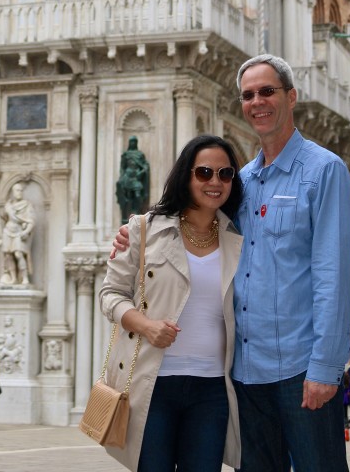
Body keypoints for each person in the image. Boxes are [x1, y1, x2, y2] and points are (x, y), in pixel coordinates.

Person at [113, 53, 350, 472]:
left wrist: (326, 368)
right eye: (248, 95)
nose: (257, 102)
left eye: (267, 91)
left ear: (291, 97)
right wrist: (136, 230)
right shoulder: (239, 182)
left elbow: (334, 277)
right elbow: (192, 220)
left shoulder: (324, 171)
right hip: (244, 375)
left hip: (301, 370)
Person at [100, 134, 243, 472]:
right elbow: (110, 295)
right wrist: (146, 326)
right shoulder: (144, 229)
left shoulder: (238, 236)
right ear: (186, 175)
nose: (215, 182)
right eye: (204, 172)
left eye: (225, 174)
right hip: (154, 383)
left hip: (212, 389)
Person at [0, 182, 35, 286]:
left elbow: (31, 221)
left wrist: (26, 232)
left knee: (18, 254)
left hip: (19, 232)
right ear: (13, 192)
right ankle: (13, 278)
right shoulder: (8, 205)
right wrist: (0, 211)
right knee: (8, 256)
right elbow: (4, 218)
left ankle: (25, 278)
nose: (20, 192)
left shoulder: (27, 205)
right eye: (17, 190)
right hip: (7, 231)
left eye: (21, 190)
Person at [115, 135, 150, 222]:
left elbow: (145, 166)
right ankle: (125, 218)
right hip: (127, 177)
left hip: (136, 178)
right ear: (129, 143)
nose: (133, 143)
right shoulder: (126, 154)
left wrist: (141, 173)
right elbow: (122, 168)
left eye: (135, 141)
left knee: (138, 196)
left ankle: (137, 214)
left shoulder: (140, 155)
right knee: (127, 198)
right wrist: (122, 178)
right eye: (132, 141)